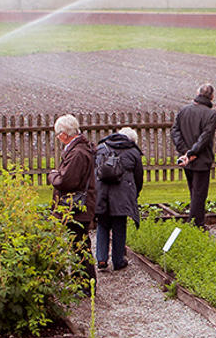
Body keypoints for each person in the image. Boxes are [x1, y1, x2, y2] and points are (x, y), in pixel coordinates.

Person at [92, 125, 144, 271]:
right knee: (119, 227)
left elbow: (94, 171)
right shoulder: (133, 152)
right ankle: (118, 260)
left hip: (102, 193)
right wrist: (135, 194)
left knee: (102, 225)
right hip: (122, 196)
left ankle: (101, 259)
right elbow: (138, 177)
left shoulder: (102, 147)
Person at [48, 115, 94, 272]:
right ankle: (82, 282)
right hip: (79, 205)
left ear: (63, 134)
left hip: (77, 206)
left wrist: (53, 175)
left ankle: (85, 284)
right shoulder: (78, 149)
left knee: (79, 245)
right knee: (78, 244)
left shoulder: (77, 153)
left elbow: (67, 181)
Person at [170, 83, 216, 226]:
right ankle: (195, 225)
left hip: (187, 160)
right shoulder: (211, 114)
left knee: (194, 192)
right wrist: (191, 153)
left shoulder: (184, 110)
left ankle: (197, 224)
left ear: (197, 93)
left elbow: (175, 131)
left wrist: (185, 152)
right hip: (200, 160)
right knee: (199, 194)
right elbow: (205, 137)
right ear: (212, 96)